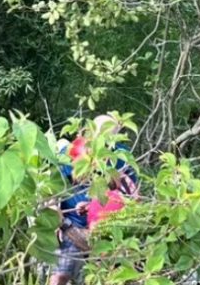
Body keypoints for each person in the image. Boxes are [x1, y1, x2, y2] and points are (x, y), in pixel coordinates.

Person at [48, 115, 139, 285]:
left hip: (107, 226)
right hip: (72, 223)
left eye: (109, 136)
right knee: (59, 276)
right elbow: (51, 185)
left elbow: (131, 197)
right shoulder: (72, 152)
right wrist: (54, 211)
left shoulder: (122, 157)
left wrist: (94, 205)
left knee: (114, 274)